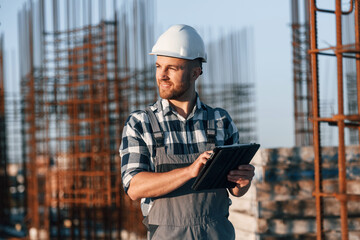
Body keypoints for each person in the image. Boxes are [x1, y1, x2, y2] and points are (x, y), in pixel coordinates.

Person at [119, 24, 255, 240]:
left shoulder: (220, 121)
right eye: (158, 66)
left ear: (195, 72)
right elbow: (134, 187)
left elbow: (235, 191)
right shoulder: (141, 123)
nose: (161, 75)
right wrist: (189, 171)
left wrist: (243, 182)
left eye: (172, 68)